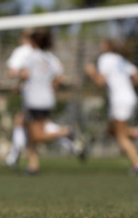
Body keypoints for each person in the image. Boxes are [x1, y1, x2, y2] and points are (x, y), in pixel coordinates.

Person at [20, 30, 82, 174]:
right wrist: (51, 83)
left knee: (36, 135)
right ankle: (33, 166)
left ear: (33, 42)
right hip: (47, 98)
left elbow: (24, 74)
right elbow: (60, 76)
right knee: (31, 133)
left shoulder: (31, 57)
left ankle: (65, 132)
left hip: (34, 99)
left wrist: (18, 81)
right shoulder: (50, 58)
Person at [86, 39, 138, 175]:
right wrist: (125, 85)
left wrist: (91, 72)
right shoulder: (120, 59)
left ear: (107, 47)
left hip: (119, 100)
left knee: (121, 136)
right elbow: (136, 75)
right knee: (111, 129)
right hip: (129, 97)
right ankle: (135, 133)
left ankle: (137, 164)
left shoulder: (105, 58)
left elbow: (101, 82)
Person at [5, 31, 33, 167]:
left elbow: (12, 72)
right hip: (45, 94)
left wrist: (16, 77)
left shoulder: (22, 51)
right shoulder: (42, 52)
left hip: (31, 94)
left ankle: (14, 155)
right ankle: (14, 155)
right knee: (26, 122)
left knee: (21, 121)